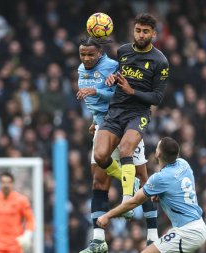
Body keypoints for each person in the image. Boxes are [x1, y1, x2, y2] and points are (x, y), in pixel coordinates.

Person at [77, 37, 158, 253]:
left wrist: (97, 93)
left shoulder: (114, 66)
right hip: (103, 125)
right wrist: (95, 121)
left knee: (143, 179)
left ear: (100, 53)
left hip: (122, 123)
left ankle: (152, 236)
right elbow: (94, 103)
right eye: (82, 54)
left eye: (90, 54)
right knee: (98, 181)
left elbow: (120, 95)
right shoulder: (81, 70)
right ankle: (98, 240)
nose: (85, 58)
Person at [93, 13, 169, 217]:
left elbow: (158, 97)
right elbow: (121, 74)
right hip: (116, 109)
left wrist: (132, 91)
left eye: (146, 31)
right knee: (100, 156)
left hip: (138, 113)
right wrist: (113, 78)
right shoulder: (123, 51)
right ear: (133, 30)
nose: (141, 35)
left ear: (153, 33)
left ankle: (127, 199)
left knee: (126, 149)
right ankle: (132, 182)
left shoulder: (160, 61)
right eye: (138, 30)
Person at [97, 137, 206, 253]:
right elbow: (183, 190)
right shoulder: (183, 164)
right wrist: (164, 197)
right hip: (199, 225)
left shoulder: (159, 178)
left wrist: (107, 216)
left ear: (158, 153)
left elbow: (134, 202)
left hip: (188, 232)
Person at [0, 172, 34, 253]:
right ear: (0, 184)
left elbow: (30, 219)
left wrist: (28, 234)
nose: (6, 185)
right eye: (3, 182)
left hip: (15, 245)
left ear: (13, 184)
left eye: (8, 182)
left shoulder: (21, 200)